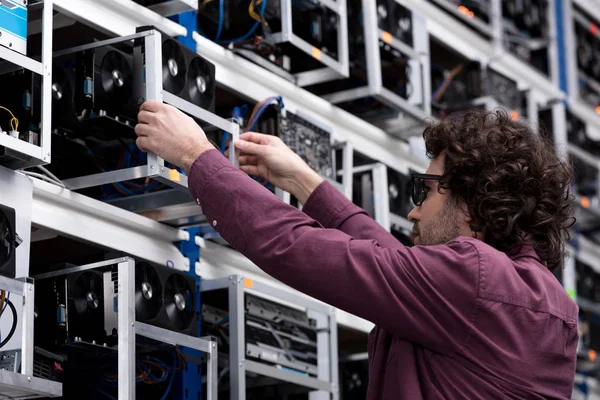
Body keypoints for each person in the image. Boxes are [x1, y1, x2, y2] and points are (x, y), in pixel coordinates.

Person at [135, 100, 579, 399]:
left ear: (470, 201)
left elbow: (298, 246)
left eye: (424, 191)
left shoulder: (475, 280)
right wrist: (302, 181)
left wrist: (196, 156)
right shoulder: (541, 301)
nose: (413, 212)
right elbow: (394, 264)